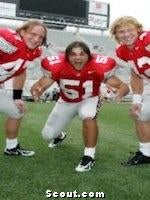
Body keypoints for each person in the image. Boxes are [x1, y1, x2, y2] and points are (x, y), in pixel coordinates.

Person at [31, 41, 129, 172]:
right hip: (65, 101)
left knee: (88, 117)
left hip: (89, 99)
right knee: (47, 135)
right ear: (67, 57)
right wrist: (37, 91)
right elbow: (38, 86)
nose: (78, 58)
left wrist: (119, 95)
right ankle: (60, 135)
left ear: (88, 56)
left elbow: (124, 86)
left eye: (82, 54)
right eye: (73, 54)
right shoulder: (58, 66)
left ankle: (89, 156)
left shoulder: (98, 67)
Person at [0, 20, 47, 156]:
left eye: (40, 37)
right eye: (33, 34)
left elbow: (21, 71)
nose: (36, 39)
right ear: (22, 32)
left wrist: (16, 97)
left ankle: (11, 147)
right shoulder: (8, 40)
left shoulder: (35, 52)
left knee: (17, 111)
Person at [110, 16, 150, 166]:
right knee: (140, 113)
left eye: (130, 30)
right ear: (116, 35)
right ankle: (146, 153)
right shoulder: (122, 51)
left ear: (138, 30)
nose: (126, 34)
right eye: (121, 31)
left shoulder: (146, 37)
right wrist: (136, 100)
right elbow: (135, 74)